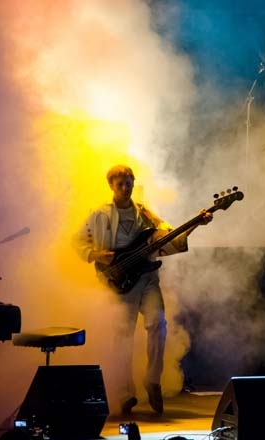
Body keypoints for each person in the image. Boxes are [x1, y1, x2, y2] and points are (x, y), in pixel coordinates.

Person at [71, 165, 213, 415]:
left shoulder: (144, 212)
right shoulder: (99, 214)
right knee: (123, 338)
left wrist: (197, 224)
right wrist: (95, 254)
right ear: (111, 186)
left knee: (158, 324)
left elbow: (168, 233)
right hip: (119, 280)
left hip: (147, 278)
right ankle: (125, 394)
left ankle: (153, 381)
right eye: (121, 184)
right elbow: (77, 240)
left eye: (129, 183)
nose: (126, 188)